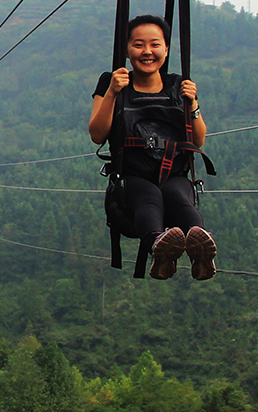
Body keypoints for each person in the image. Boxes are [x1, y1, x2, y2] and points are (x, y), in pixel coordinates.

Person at [87, 14, 216, 280]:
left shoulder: (179, 85)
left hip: (174, 174)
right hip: (133, 176)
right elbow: (97, 134)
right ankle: (160, 247)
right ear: (127, 50)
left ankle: (200, 247)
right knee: (149, 199)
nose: (147, 52)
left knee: (180, 199)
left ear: (166, 49)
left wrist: (192, 103)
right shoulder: (111, 82)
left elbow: (198, 140)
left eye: (155, 45)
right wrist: (112, 92)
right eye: (138, 45)